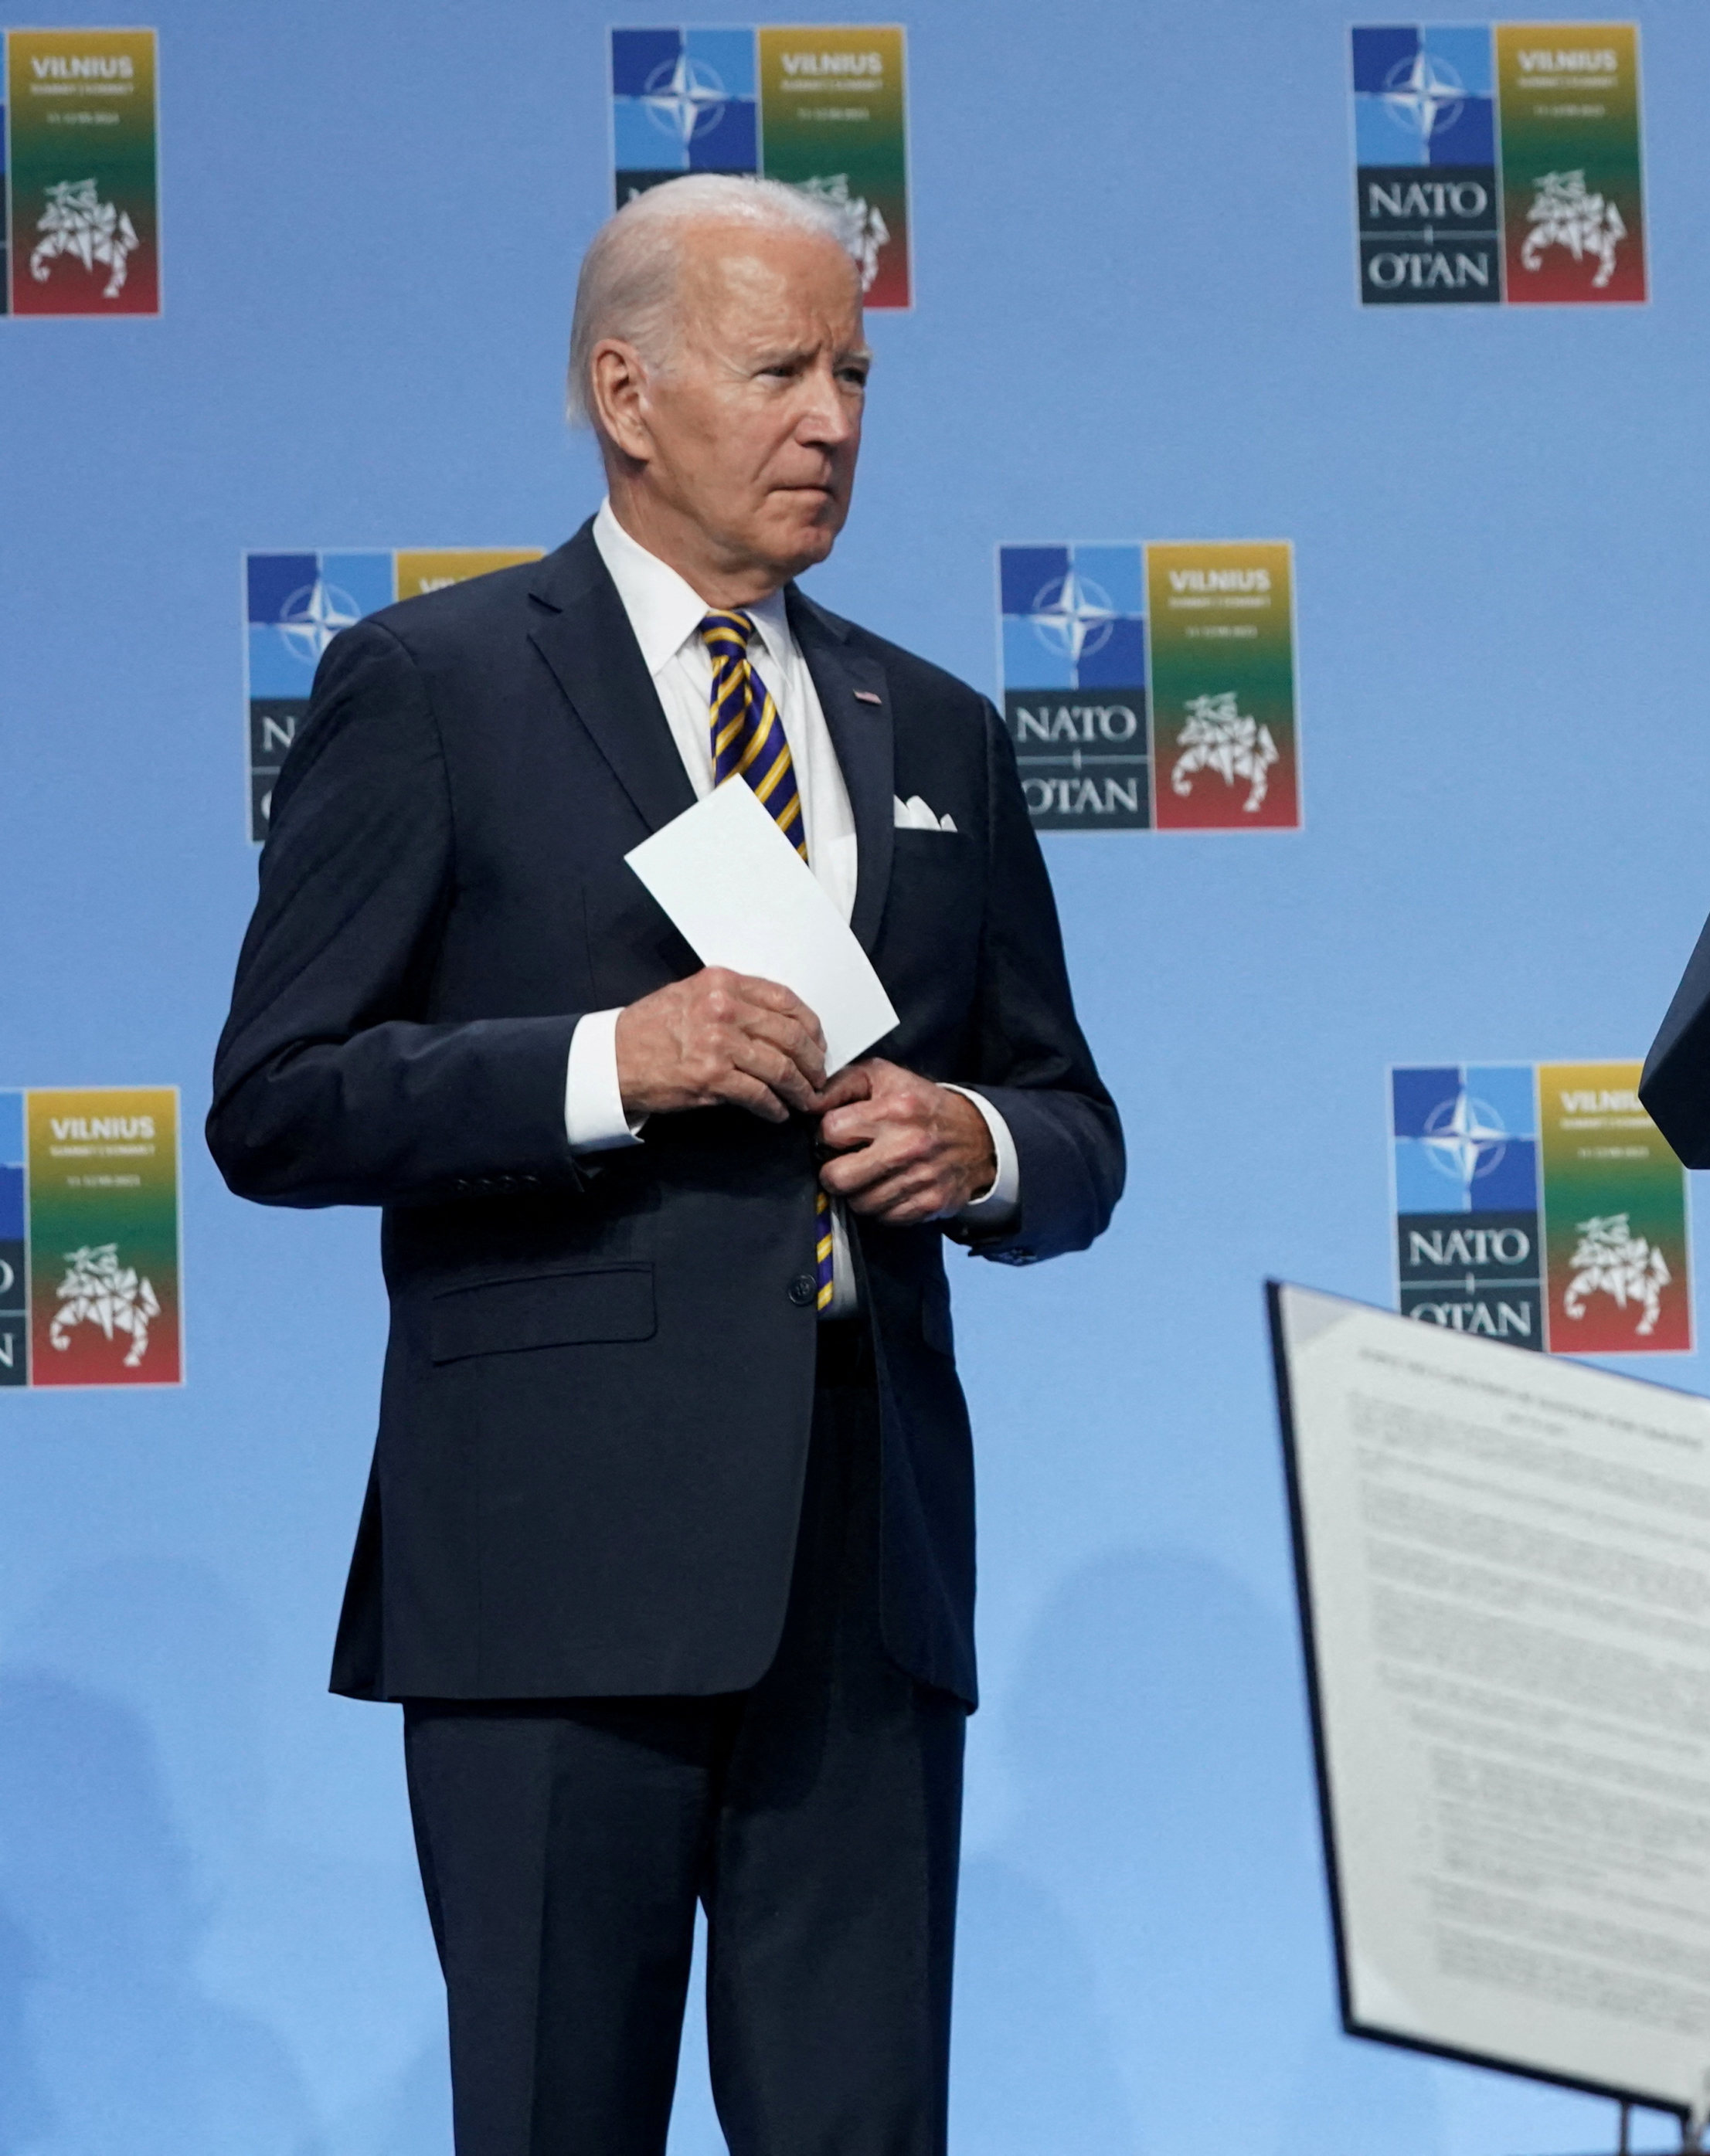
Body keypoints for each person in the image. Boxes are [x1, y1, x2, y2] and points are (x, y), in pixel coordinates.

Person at [208, 175, 1123, 2154]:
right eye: (779, 368)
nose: (834, 419)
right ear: (627, 394)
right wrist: (609, 1062)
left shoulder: (938, 726)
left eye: (857, 371)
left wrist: (971, 1143)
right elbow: (276, 1098)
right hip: (548, 1570)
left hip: (864, 1581)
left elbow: (1073, 1123)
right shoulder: (436, 685)